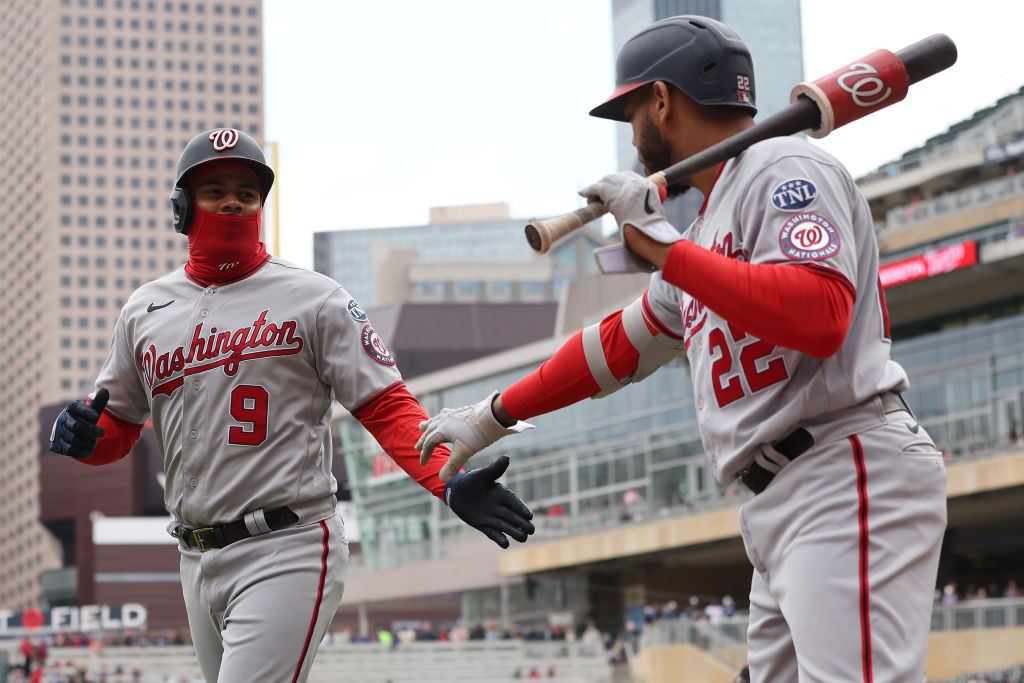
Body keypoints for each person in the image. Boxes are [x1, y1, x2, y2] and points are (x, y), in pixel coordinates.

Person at [415, 15, 947, 682]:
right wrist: (492, 413)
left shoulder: (785, 165)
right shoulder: (708, 223)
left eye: (633, 108)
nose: (631, 128)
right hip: (783, 495)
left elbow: (821, 315)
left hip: (844, 465)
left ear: (662, 101)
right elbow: (618, 346)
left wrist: (664, 245)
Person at [48, 128, 535, 682]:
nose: (233, 200)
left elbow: (386, 406)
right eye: (215, 189)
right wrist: (84, 439)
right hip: (193, 554)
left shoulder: (316, 298)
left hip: (287, 544)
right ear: (182, 208)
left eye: (246, 191)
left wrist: (446, 479)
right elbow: (118, 422)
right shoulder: (146, 307)